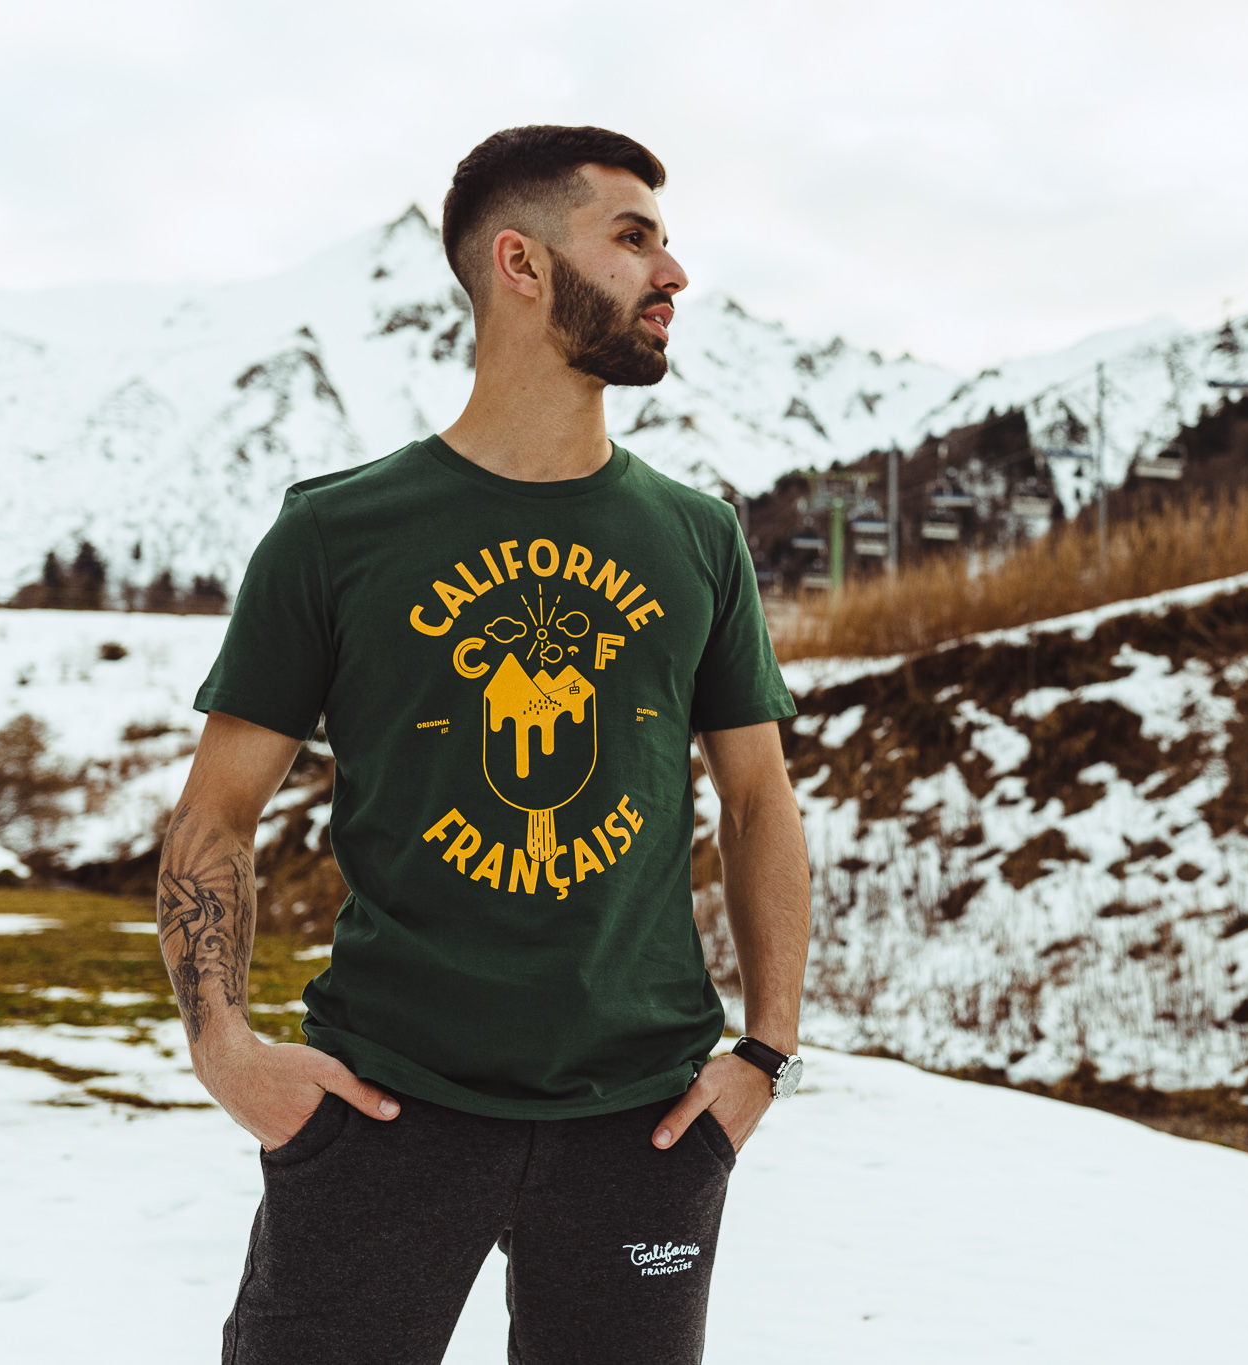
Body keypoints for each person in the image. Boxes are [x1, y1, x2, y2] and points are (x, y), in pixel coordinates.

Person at [156, 125, 810, 1365]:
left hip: (647, 1124)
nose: (671, 273)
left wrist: (764, 1056)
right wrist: (224, 1051)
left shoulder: (697, 539)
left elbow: (758, 803)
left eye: (664, 241)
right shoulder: (336, 534)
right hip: (382, 1106)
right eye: (632, 239)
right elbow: (215, 814)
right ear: (519, 262)